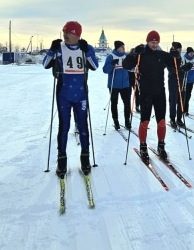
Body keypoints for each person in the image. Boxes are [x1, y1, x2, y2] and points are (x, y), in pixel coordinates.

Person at [43, 21, 99, 176]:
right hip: (63, 95)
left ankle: (85, 159)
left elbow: (94, 66)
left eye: (68, 32)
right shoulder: (60, 49)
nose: (64, 35)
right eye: (63, 32)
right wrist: (51, 51)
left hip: (81, 95)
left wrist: (87, 51)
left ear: (77, 34)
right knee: (64, 127)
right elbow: (45, 64)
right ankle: (61, 160)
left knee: (83, 126)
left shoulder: (85, 48)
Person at [123, 31, 177, 163]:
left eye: (157, 42)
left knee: (162, 121)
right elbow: (126, 65)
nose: (154, 45)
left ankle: (161, 145)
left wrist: (176, 56)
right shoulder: (141, 53)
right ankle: (143, 146)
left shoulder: (161, 54)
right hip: (146, 93)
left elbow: (175, 66)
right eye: (152, 42)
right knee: (145, 121)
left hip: (160, 93)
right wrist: (134, 53)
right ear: (147, 41)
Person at [102, 40, 132, 130]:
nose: (123, 49)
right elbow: (105, 70)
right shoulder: (111, 57)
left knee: (127, 103)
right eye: (122, 47)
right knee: (114, 103)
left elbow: (131, 66)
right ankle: (116, 121)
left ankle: (127, 121)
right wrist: (112, 64)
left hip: (125, 85)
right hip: (114, 85)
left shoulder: (126, 56)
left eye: (124, 47)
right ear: (118, 48)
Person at [167, 42, 188, 128]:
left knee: (181, 101)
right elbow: (171, 70)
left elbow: (184, 66)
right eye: (178, 49)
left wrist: (187, 67)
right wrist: (182, 69)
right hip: (173, 82)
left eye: (180, 49)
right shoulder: (170, 57)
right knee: (173, 101)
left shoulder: (181, 57)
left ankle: (179, 119)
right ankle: (172, 119)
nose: (179, 51)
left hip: (182, 81)